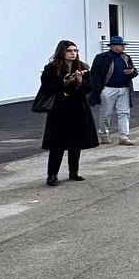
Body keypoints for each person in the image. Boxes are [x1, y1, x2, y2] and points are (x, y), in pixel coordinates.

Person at [38, 40, 99, 186]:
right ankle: (52, 175)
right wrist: (64, 82)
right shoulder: (52, 68)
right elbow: (47, 87)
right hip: (60, 110)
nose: (73, 53)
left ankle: (74, 172)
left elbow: (89, 88)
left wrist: (79, 81)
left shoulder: (82, 67)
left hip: (78, 109)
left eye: (75, 51)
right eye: (70, 51)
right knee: (57, 144)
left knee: (76, 143)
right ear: (62, 52)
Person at [89, 36, 138, 146]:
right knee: (106, 113)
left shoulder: (126, 57)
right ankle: (103, 134)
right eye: (120, 45)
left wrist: (132, 72)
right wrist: (99, 89)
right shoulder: (102, 57)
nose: (123, 47)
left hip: (124, 88)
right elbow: (94, 74)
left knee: (124, 113)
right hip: (108, 88)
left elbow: (134, 71)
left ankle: (123, 136)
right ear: (113, 46)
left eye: (122, 45)